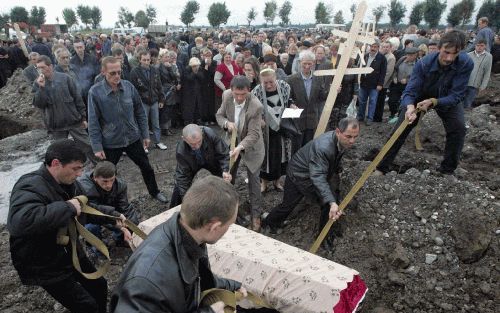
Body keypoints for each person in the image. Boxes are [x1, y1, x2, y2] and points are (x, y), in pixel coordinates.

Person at [110, 176, 246, 313]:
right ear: (214, 227)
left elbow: (197, 277)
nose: (229, 229)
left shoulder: (187, 233)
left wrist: (230, 286)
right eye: (229, 225)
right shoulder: (147, 283)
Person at [8, 140, 109, 313]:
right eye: (76, 168)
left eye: (81, 168)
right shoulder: (29, 185)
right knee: (86, 306)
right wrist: (68, 207)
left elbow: (83, 208)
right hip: (43, 263)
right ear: (56, 163)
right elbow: (20, 221)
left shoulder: (70, 183)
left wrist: (114, 217)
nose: (80, 174)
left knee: (100, 285)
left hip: (70, 251)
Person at [374, 30, 474, 176]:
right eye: (446, 52)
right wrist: (409, 106)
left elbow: (457, 95)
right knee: (400, 129)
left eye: (455, 53)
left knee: (458, 129)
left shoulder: (465, 63)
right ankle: (381, 167)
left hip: (447, 97)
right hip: (421, 96)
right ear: (439, 47)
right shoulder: (424, 64)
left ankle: (447, 170)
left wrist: (434, 102)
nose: (449, 58)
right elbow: (410, 91)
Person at [262, 118, 360, 249]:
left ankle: (324, 234)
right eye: (349, 136)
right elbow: (318, 177)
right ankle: (269, 223)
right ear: (338, 132)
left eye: (355, 137)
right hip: (299, 174)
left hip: (309, 171)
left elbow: (332, 160)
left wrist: (337, 170)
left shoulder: (341, 141)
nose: (352, 141)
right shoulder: (324, 147)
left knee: (326, 200)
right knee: (293, 205)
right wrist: (331, 202)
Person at [87, 56, 168, 203]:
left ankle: (155, 192)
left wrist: (145, 134)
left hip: (132, 138)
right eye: (112, 73)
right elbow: (93, 122)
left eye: (119, 72)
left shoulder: (129, 87)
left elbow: (140, 112)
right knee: (107, 174)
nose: (117, 76)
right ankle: (107, 202)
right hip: (111, 142)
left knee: (147, 167)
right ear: (103, 72)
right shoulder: (95, 92)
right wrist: (97, 146)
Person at [216, 76, 265, 231]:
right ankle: (228, 212)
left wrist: (240, 147)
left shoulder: (255, 106)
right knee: (228, 176)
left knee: (254, 181)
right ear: (231, 90)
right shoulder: (226, 96)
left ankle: (256, 215)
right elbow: (219, 115)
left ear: (248, 91)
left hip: (251, 146)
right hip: (232, 142)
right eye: (236, 94)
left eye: (243, 94)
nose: (239, 98)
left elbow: (254, 134)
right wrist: (226, 123)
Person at [32, 55, 96, 164]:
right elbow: (39, 104)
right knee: (60, 152)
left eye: (42, 67)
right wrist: (41, 88)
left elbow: (77, 98)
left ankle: (101, 167)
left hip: (74, 121)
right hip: (56, 125)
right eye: (38, 68)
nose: (40, 70)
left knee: (87, 145)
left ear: (50, 66)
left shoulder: (65, 78)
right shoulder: (37, 83)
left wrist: (83, 117)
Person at [170, 124, 231, 208]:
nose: (197, 146)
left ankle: (229, 209)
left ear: (202, 134)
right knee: (179, 187)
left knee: (225, 181)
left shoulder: (210, 134)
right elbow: (183, 177)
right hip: (192, 163)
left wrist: (225, 169)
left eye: (199, 142)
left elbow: (224, 154)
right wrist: (186, 200)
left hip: (211, 159)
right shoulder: (181, 151)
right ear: (184, 139)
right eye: (193, 144)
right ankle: (175, 211)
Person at [78, 161, 137, 247]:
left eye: (112, 180)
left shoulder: (120, 185)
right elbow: (95, 214)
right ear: (95, 178)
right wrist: (121, 227)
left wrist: (131, 227)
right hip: (92, 214)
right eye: (105, 181)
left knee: (128, 221)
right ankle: (97, 248)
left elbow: (124, 207)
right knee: (91, 228)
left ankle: (119, 239)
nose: (109, 185)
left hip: (110, 209)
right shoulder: (85, 189)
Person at [252, 68, 292, 192]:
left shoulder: (284, 87)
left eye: (271, 82)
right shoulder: (256, 91)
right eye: (265, 83)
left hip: (282, 130)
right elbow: (252, 110)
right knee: (265, 158)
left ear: (276, 79)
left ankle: (277, 182)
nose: (269, 85)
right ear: (260, 81)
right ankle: (264, 184)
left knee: (281, 156)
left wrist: (292, 105)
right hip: (265, 132)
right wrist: (259, 119)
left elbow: (289, 100)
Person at [287, 49, 328, 153]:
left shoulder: (318, 78)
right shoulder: (291, 79)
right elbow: (287, 98)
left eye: (309, 63)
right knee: (296, 149)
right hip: (297, 121)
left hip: (311, 120)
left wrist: (333, 91)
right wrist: (291, 104)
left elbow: (322, 97)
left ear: (313, 63)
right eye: (304, 63)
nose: (307, 66)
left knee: (309, 148)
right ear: (300, 63)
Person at [130, 50, 168, 151]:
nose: (146, 62)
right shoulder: (134, 72)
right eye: (144, 60)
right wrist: (137, 102)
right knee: (143, 123)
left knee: (156, 123)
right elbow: (133, 89)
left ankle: (158, 141)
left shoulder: (154, 70)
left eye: (148, 60)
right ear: (139, 60)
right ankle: (144, 144)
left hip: (155, 100)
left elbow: (159, 85)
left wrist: (161, 99)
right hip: (142, 102)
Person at [356, 40, 387, 125]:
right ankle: (360, 116)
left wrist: (380, 84)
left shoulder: (382, 58)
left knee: (372, 102)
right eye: (371, 46)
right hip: (364, 83)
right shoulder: (365, 56)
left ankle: (370, 118)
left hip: (374, 84)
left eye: (375, 47)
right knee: (362, 101)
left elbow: (383, 72)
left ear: (378, 47)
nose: (373, 48)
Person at [387, 47, 419, 123]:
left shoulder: (418, 64)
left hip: (409, 86)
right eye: (408, 55)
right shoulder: (401, 60)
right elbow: (395, 69)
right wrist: (394, 77)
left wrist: (407, 80)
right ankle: (392, 114)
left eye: (411, 55)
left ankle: (400, 117)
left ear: (415, 55)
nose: (408, 57)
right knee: (392, 100)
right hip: (397, 84)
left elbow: (418, 77)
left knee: (405, 102)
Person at [464, 39, 492, 109]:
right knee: (459, 102)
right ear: (475, 46)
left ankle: (466, 117)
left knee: (468, 103)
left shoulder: (488, 57)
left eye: (481, 46)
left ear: (485, 46)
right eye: (477, 45)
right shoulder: (468, 55)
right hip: (464, 83)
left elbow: (487, 72)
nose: (479, 47)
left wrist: (483, 86)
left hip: (475, 85)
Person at [71, 41, 99, 105]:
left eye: (80, 47)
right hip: (79, 91)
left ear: (84, 47)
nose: (79, 49)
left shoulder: (92, 58)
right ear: (74, 48)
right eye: (77, 48)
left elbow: (97, 72)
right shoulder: (72, 61)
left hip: (92, 87)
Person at [374, 41, 396, 122]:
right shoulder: (383, 55)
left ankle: (378, 118)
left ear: (390, 48)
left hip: (383, 84)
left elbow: (388, 73)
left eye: (387, 47)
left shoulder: (391, 57)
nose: (385, 48)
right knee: (376, 100)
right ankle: (375, 116)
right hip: (378, 82)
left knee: (380, 101)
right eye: (384, 47)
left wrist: (381, 83)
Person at [181, 57, 205, 125]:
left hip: (197, 91)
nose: (196, 67)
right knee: (189, 107)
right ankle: (188, 120)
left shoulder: (199, 69)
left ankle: (197, 119)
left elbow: (202, 77)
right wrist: (194, 73)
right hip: (189, 92)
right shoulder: (186, 69)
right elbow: (189, 78)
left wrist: (196, 73)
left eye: (197, 66)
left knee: (198, 106)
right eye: (194, 66)